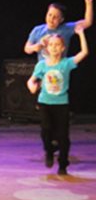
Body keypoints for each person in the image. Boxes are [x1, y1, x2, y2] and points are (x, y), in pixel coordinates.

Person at [27, 24, 88, 175]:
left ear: (62, 48)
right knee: (46, 131)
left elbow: (84, 52)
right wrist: (32, 86)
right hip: (45, 103)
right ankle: (49, 151)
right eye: (51, 45)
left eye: (57, 45)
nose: (54, 47)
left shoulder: (66, 63)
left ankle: (63, 164)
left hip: (61, 104)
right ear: (47, 48)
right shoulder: (42, 65)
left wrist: (81, 34)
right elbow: (31, 80)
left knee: (63, 136)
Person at [24, 0, 93, 59]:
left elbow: (87, 22)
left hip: (61, 65)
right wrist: (34, 47)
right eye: (49, 15)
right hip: (43, 66)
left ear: (61, 19)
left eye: (55, 17)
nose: (51, 19)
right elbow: (27, 49)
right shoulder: (37, 30)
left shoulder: (66, 28)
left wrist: (89, 4)